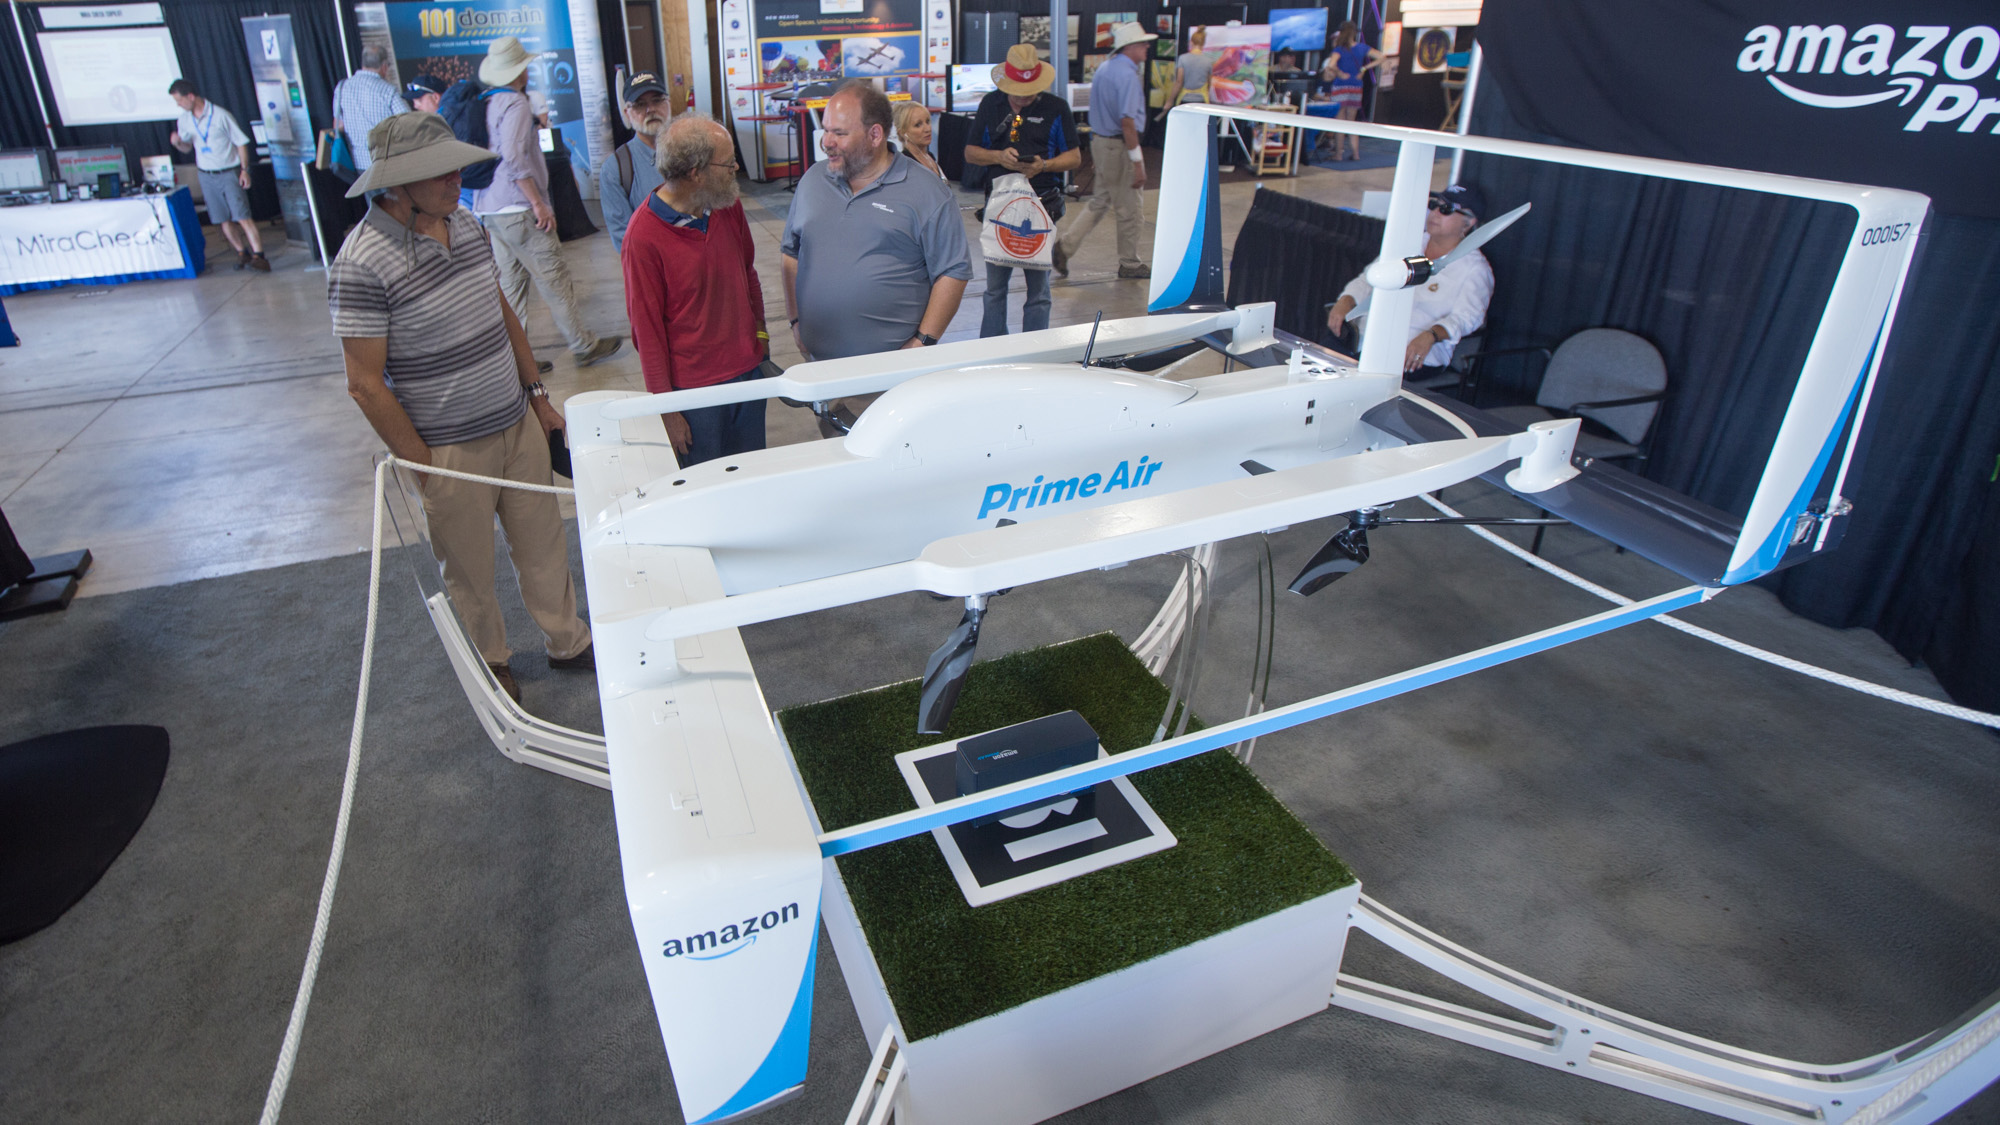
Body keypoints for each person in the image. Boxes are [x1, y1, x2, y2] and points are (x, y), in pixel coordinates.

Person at [328, 113, 593, 703]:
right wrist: (423, 463)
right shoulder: (360, 263)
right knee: (469, 571)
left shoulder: (466, 222)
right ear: (396, 185)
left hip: (516, 423)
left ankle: (567, 640)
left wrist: (537, 400)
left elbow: (502, 313)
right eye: (438, 171)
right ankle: (491, 662)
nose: (456, 178)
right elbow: (364, 384)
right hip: (448, 450)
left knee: (544, 543)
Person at [780, 80, 970, 365]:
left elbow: (953, 270)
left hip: (890, 373)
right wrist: (795, 321)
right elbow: (790, 254)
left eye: (839, 133)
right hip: (819, 365)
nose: (826, 142)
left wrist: (923, 340)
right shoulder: (812, 181)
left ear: (875, 134)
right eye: (826, 130)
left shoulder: (927, 192)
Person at [622, 116, 771, 465]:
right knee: (707, 492)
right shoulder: (643, 238)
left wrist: (760, 336)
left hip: (748, 375)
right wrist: (666, 410)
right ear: (695, 172)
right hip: (694, 396)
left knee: (752, 478)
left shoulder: (726, 205)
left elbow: (748, 272)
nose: (736, 167)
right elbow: (647, 331)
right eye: (727, 161)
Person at [472, 36, 622, 367]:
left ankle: (516, 360)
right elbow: (513, 157)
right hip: (518, 207)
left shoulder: (486, 101)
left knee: (511, 287)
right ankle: (582, 345)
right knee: (553, 276)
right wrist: (537, 202)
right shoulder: (516, 103)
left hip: (489, 207)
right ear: (520, 71)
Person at [965, 44, 1079, 336]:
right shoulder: (991, 104)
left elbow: (1074, 157)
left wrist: (1044, 165)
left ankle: (1035, 349)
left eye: (1029, 90)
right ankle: (992, 348)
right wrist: (998, 157)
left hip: (1041, 205)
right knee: (994, 289)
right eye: (1017, 90)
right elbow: (970, 152)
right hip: (1000, 205)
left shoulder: (1056, 108)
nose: (1023, 97)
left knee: (1039, 291)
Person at [1325, 183, 1494, 378]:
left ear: (1469, 222)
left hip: (1414, 356)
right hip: (1363, 341)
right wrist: (1347, 299)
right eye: (1434, 205)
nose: (1436, 213)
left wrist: (1432, 335)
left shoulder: (1474, 268)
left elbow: (1468, 318)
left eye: (1446, 209)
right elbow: (1369, 279)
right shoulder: (1407, 244)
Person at [1053, 21, 1155, 281]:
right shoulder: (1128, 76)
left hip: (1102, 143)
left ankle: (1066, 246)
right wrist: (1138, 162)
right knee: (1130, 209)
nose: (1147, 47)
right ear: (1130, 46)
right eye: (1143, 43)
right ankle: (1130, 263)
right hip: (1119, 146)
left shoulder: (1105, 69)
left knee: (1100, 202)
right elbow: (1127, 123)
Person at [167, 80, 268, 272]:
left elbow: (240, 143)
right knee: (222, 219)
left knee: (242, 215)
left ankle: (259, 255)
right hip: (206, 174)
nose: (178, 105)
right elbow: (187, 147)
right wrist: (178, 143)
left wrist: (245, 170)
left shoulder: (221, 115)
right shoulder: (184, 120)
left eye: (179, 100)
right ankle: (242, 252)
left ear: (190, 96)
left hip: (229, 171)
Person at [596, 72, 672, 253]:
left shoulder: (694, 153)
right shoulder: (615, 169)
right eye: (639, 105)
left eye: (657, 100)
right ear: (627, 113)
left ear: (668, 103)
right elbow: (625, 240)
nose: (650, 109)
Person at [333, 46, 411, 174]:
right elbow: (408, 123)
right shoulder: (388, 90)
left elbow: (338, 125)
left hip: (359, 164)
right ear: (384, 66)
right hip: (388, 163)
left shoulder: (342, 88)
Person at [1319, 21, 1381, 161]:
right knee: (1352, 121)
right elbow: (1382, 57)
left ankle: (1339, 154)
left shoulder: (1339, 49)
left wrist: (1340, 74)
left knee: (1340, 121)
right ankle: (1356, 153)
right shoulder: (1361, 47)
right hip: (1356, 86)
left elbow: (1331, 65)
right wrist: (1364, 69)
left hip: (1341, 86)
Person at [1159, 26, 1213, 114]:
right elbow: (1209, 84)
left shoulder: (1183, 59)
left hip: (1184, 100)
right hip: (1202, 101)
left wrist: (1170, 100)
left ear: (1191, 42)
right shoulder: (1208, 61)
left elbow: (1179, 82)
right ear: (1203, 44)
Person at [894, 102, 944, 179]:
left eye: (927, 122)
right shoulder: (905, 167)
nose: (928, 129)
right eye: (918, 125)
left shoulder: (930, 157)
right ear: (903, 133)